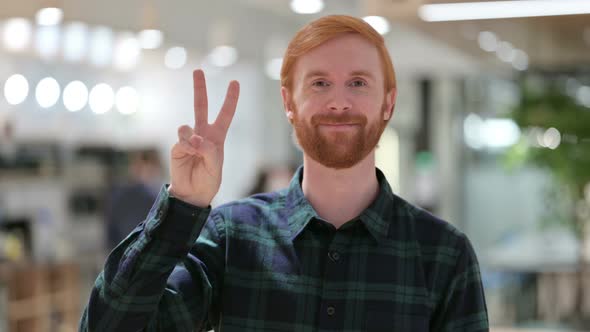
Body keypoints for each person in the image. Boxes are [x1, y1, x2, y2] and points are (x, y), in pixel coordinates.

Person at [80, 15, 488, 331]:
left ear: (388, 104)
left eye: (359, 83)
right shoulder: (232, 237)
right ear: (289, 103)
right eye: (319, 83)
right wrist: (182, 205)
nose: (339, 102)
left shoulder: (444, 255)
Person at [104, 150, 163, 251]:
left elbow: (111, 233)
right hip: (142, 251)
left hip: (126, 251)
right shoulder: (155, 195)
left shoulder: (118, 194)